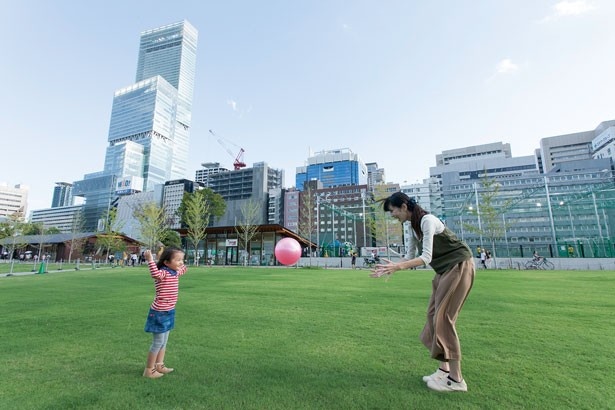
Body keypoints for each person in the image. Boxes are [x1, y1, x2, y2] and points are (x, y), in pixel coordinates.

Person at [371, 192, 475, 393]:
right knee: (432, 316)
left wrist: (397, 268)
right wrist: (389, 267)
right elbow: (409, 257)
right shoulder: (413, 227)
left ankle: (456, 380)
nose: (393, 216)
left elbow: (426, 257)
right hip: (444, 271)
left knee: (444, 319)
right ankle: (444, 370)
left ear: (403, 206)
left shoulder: (427, 220)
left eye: (393, 212)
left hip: (459, 266)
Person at [142, 247, 187, 378]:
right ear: (167, 263)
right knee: (158, 342)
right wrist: (151, 260)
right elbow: (154, 274)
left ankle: (159, 365)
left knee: (164, 342)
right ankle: (149, 370)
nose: (180, 262)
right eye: (177, 260)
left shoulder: (175, 272)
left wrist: (180, 262)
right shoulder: (163, 273)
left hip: (169, 311)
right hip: (160, 312)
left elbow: (184, 269)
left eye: (182, 259)